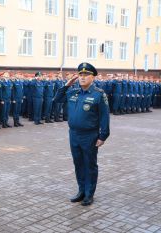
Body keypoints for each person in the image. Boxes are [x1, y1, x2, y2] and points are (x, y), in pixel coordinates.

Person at [54, 62, 110, 206]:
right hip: (74, 134)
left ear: (93, 77)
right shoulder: (73, 92)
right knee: (78, 163)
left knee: (89, 164)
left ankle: (89, 194)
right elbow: (57, 99)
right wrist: (67, 85)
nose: (83, 77)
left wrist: (103, 135)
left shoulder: (99, 94)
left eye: (86, 75)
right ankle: (81, 191)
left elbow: (104, 116)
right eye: (80, 75)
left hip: (90, 135)